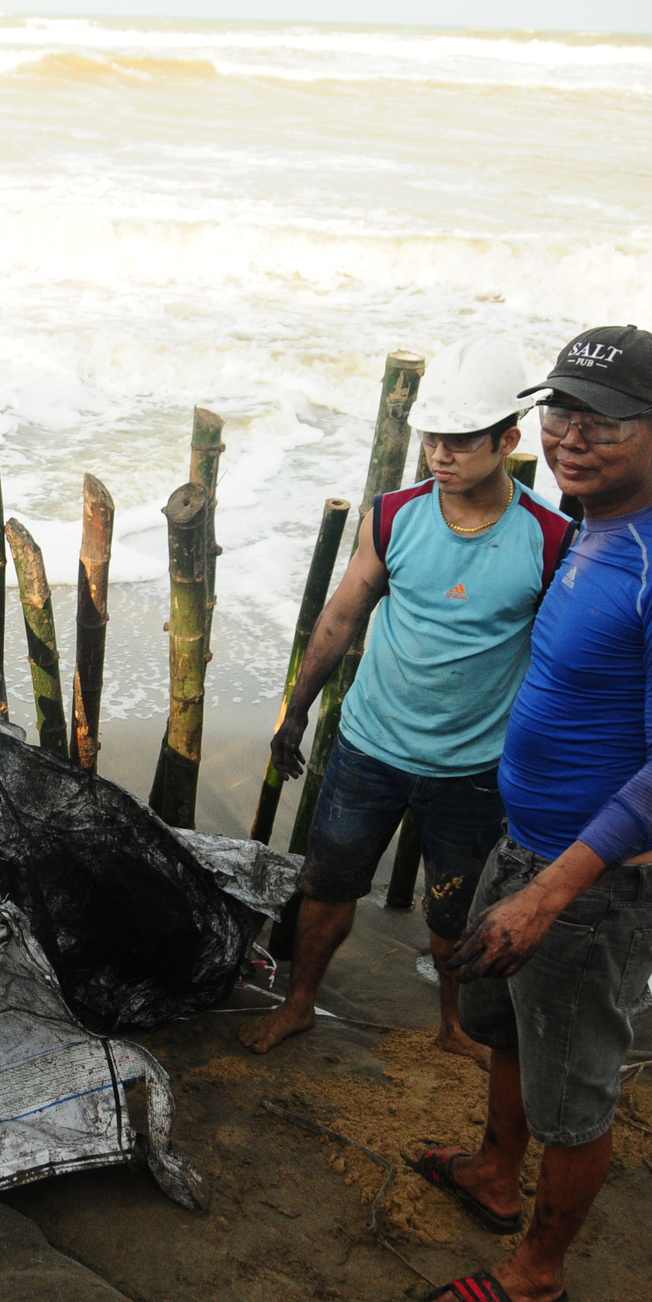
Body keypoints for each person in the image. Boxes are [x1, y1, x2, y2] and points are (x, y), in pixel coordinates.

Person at [417, 327, 652, 1302]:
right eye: (558, 410)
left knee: (572, 1090)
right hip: (530, 847)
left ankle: (535, 1274)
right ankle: (489, 1170)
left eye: (599, 421)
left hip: (592, 884)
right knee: (506, 1028)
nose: (568, 436)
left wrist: (548, 896)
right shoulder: (593, 516)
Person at [242, 337, 576, 1066]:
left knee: (457, 909)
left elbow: (561, 665)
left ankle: (454, 1027)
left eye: (460, 441)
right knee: (328, 887)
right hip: (369, 748)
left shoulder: (550, 540)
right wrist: (295, 712)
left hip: (474, 766)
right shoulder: (393, 517)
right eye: (432, 438)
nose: (440, 454)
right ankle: (300, 1004)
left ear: (507, 441)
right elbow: (341, 615)